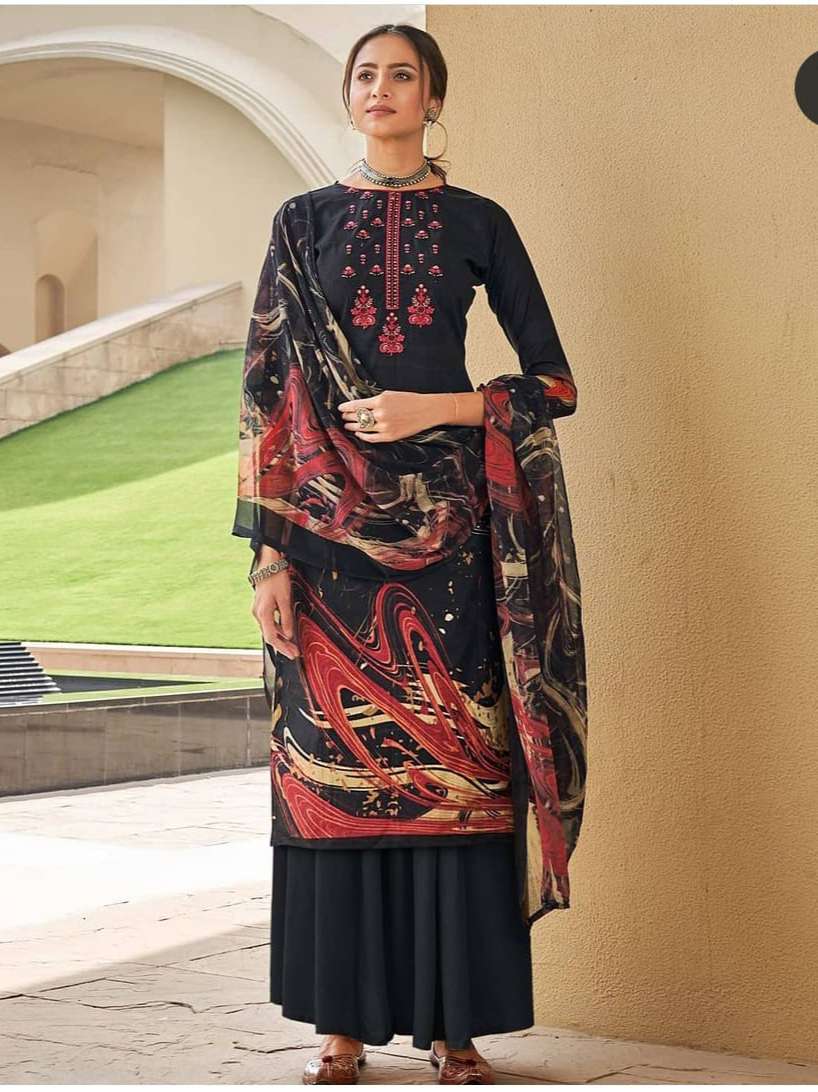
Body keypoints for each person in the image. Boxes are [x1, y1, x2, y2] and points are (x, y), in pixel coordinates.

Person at [232, 23, 587, 1086]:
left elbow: (554, 382)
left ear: (432, 98)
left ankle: (452, 1025)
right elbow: (266, 396)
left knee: (454, 768)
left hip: (452, 541)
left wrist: (439, 406)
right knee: (333, 769)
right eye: (364, 74)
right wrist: (268, 560)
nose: (379, 89)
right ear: (348, 96)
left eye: (401, 75)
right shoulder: (302, 223)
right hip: (323, 542)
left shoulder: (479, 222)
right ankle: (340, 1025)